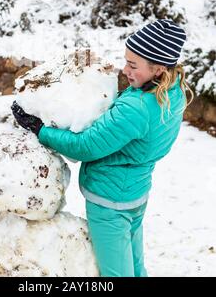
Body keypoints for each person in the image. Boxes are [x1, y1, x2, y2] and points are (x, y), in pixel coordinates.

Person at [11, 19, 194, 277]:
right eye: (126, 61)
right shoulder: (173, 93)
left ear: (159, 68)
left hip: (110, 203)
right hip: (136, 192)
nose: (126, 70)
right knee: (136, 267)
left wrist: (40, 129)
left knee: (116, 274)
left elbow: (85, 146)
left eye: (133, 65)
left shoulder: (137, 108)